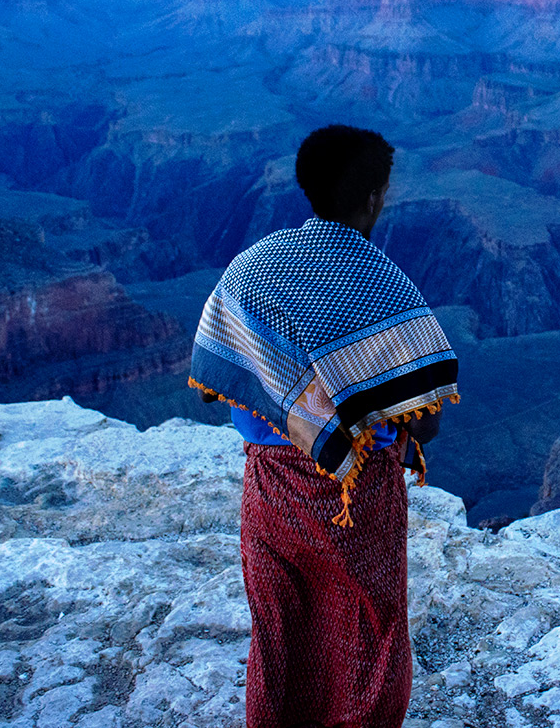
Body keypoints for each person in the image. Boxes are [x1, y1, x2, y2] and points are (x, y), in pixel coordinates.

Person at [189, 124, 459, 728]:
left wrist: (300, 404)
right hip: (355, 501)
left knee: (283, 630)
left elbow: (220, 376)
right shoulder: (386, 287)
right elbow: (429, 422)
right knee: (367, 629)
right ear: (373, 198)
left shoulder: (249, 272)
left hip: (270, 495)